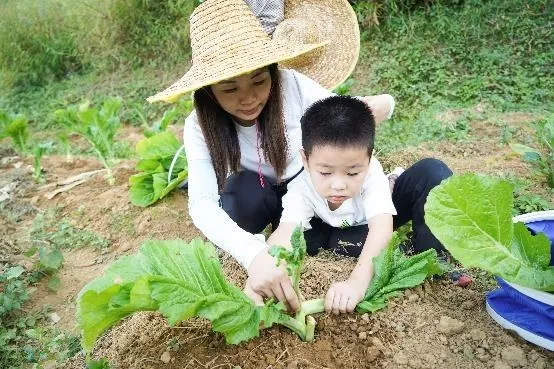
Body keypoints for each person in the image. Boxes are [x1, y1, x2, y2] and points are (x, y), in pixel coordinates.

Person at [147, 0, 395, 312]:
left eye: (259, 81)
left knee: (320, 230)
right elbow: (202, 204)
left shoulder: (292, 86)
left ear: (272, 74)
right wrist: (253, 255)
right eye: (230, 89)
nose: (248, 98)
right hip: (260, 191)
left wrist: (383, 104)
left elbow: (339, 113)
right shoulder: (198, 126)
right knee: (238, 202)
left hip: (302, 190)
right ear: (209, 91)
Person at [266, 95, 454, 314]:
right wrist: (267, 267)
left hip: (372, 217)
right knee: (319, 240)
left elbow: (382, 225)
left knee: (433, 172)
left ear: (369, 157)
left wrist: (357, 282)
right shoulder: (301, 185)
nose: (339, 185)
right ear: (305, 160)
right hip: (334, 227)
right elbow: (286, 230)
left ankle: (429, 253)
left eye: (353, 172)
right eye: (325, 172)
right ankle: (387, 249)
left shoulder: (372, 174)